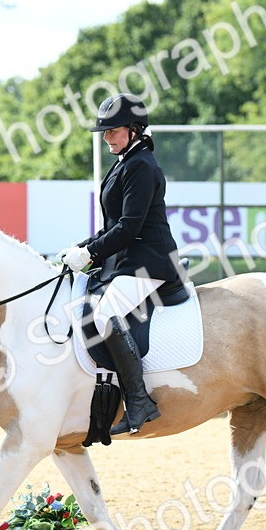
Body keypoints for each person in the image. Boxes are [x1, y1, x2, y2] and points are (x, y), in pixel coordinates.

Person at [59, 94, 187, 435]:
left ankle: (140, 401)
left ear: (132, 130)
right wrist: (83, 247)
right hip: (126, 261)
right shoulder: (125, 162)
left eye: (112, 130)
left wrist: (91, 255)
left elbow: (129, 227)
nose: (106, 137)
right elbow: (111, 226)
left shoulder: (142, 166)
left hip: (149, 262)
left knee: (103, 317)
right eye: (104, 131)